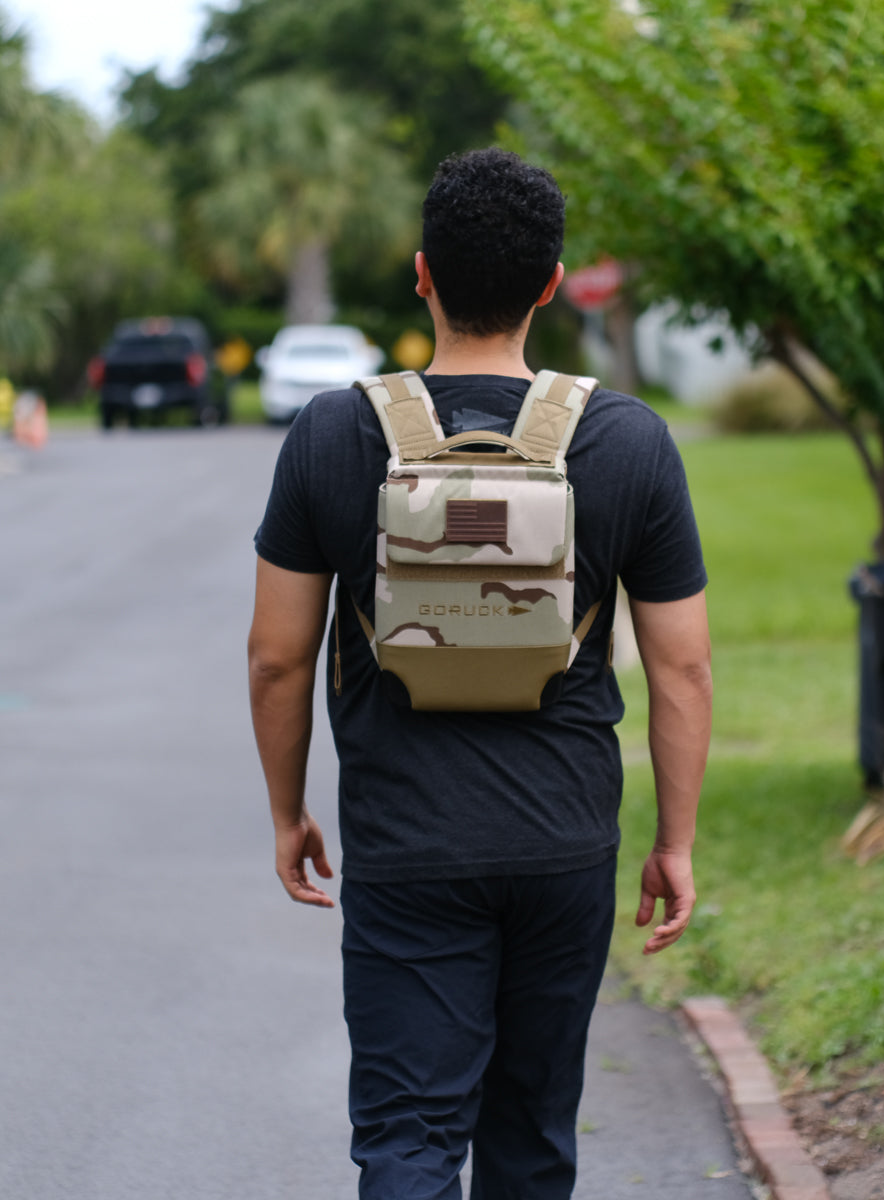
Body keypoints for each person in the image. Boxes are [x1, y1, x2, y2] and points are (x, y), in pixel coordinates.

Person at [248, 147, 712, 1200]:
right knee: (532, 1142)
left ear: (423, 276)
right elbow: (683, 670)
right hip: (562, 843)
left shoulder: (331, 434)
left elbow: (277, 657)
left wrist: (288, 811)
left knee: (409, 1141)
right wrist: (674, 842)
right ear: (551, 283)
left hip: (408, 845)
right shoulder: (628, 442)